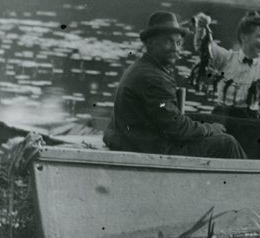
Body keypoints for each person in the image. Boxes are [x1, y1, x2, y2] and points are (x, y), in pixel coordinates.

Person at [103, 11, 247, 159]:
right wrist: (210, 129)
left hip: (136, 141)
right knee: (227, 143)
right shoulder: (154, 77)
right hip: (151, 149)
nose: (175, 48)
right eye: (168, 41)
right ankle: (250, 182)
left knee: (202, 124)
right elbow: (178, 128)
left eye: (178, 43)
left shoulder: (142, 67)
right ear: (151, 44)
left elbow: (172, 122)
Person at [191, 10, 260, 119]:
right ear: (243, 37)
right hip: (221, 117)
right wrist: (201, 27)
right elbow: (202, 46)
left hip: (250, 121)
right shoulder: (226, 58)